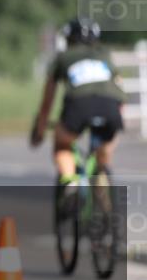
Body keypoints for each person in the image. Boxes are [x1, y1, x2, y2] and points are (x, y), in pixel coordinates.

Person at [30, 17, 126, 187]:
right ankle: (103, 181)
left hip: (78, 108)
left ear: (69, 39)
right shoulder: (105, 54)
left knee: (62, 145)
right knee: (104, 150)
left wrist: (41, 128)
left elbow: (47, 102)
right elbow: (120, 91)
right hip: (111, 108)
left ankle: (70, 184)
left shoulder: (63, 57)